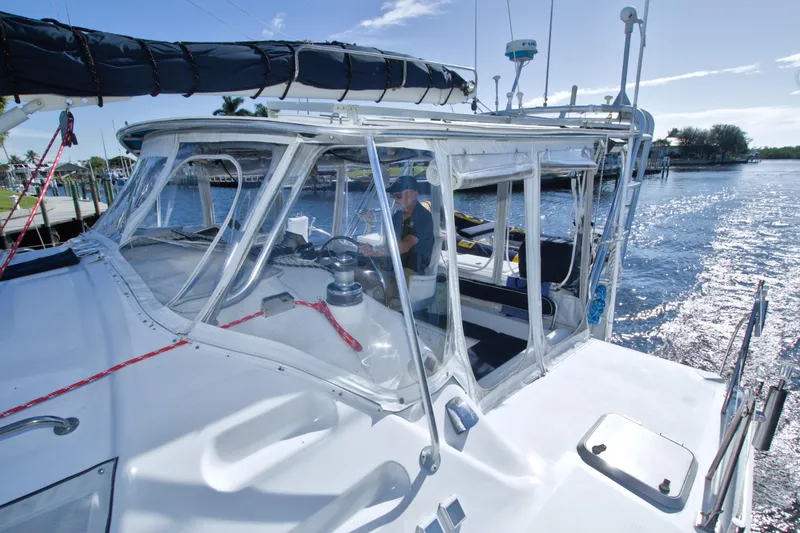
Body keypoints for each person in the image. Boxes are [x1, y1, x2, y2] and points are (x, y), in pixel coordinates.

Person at [361, 175, 435, 295]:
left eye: (399, 195)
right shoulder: (396, 217)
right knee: (359, 275)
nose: (395, 199)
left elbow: (406, 245)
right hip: (392, 265)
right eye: (393, 195)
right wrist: (371, 249)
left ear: (415, 195)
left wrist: (376, 251)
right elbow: (390, 244)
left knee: (382, 295)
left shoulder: (423, 217)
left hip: (411, 271)